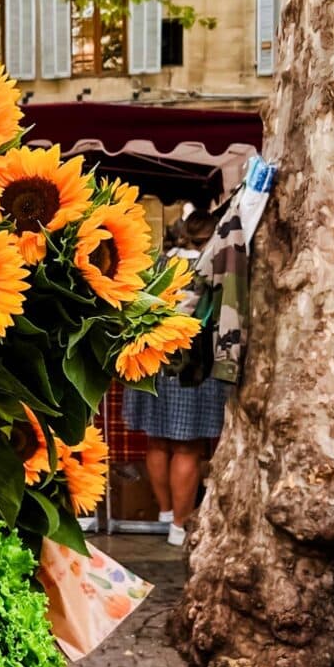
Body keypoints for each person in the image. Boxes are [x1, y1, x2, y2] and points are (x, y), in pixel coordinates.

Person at [122, 210, 229, 546]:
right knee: (188, 446)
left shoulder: (159, 262)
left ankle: (166, 512)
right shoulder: (211, 267)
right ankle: (180, 526)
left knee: (157, 439)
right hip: (190, 363)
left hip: (151, 357)